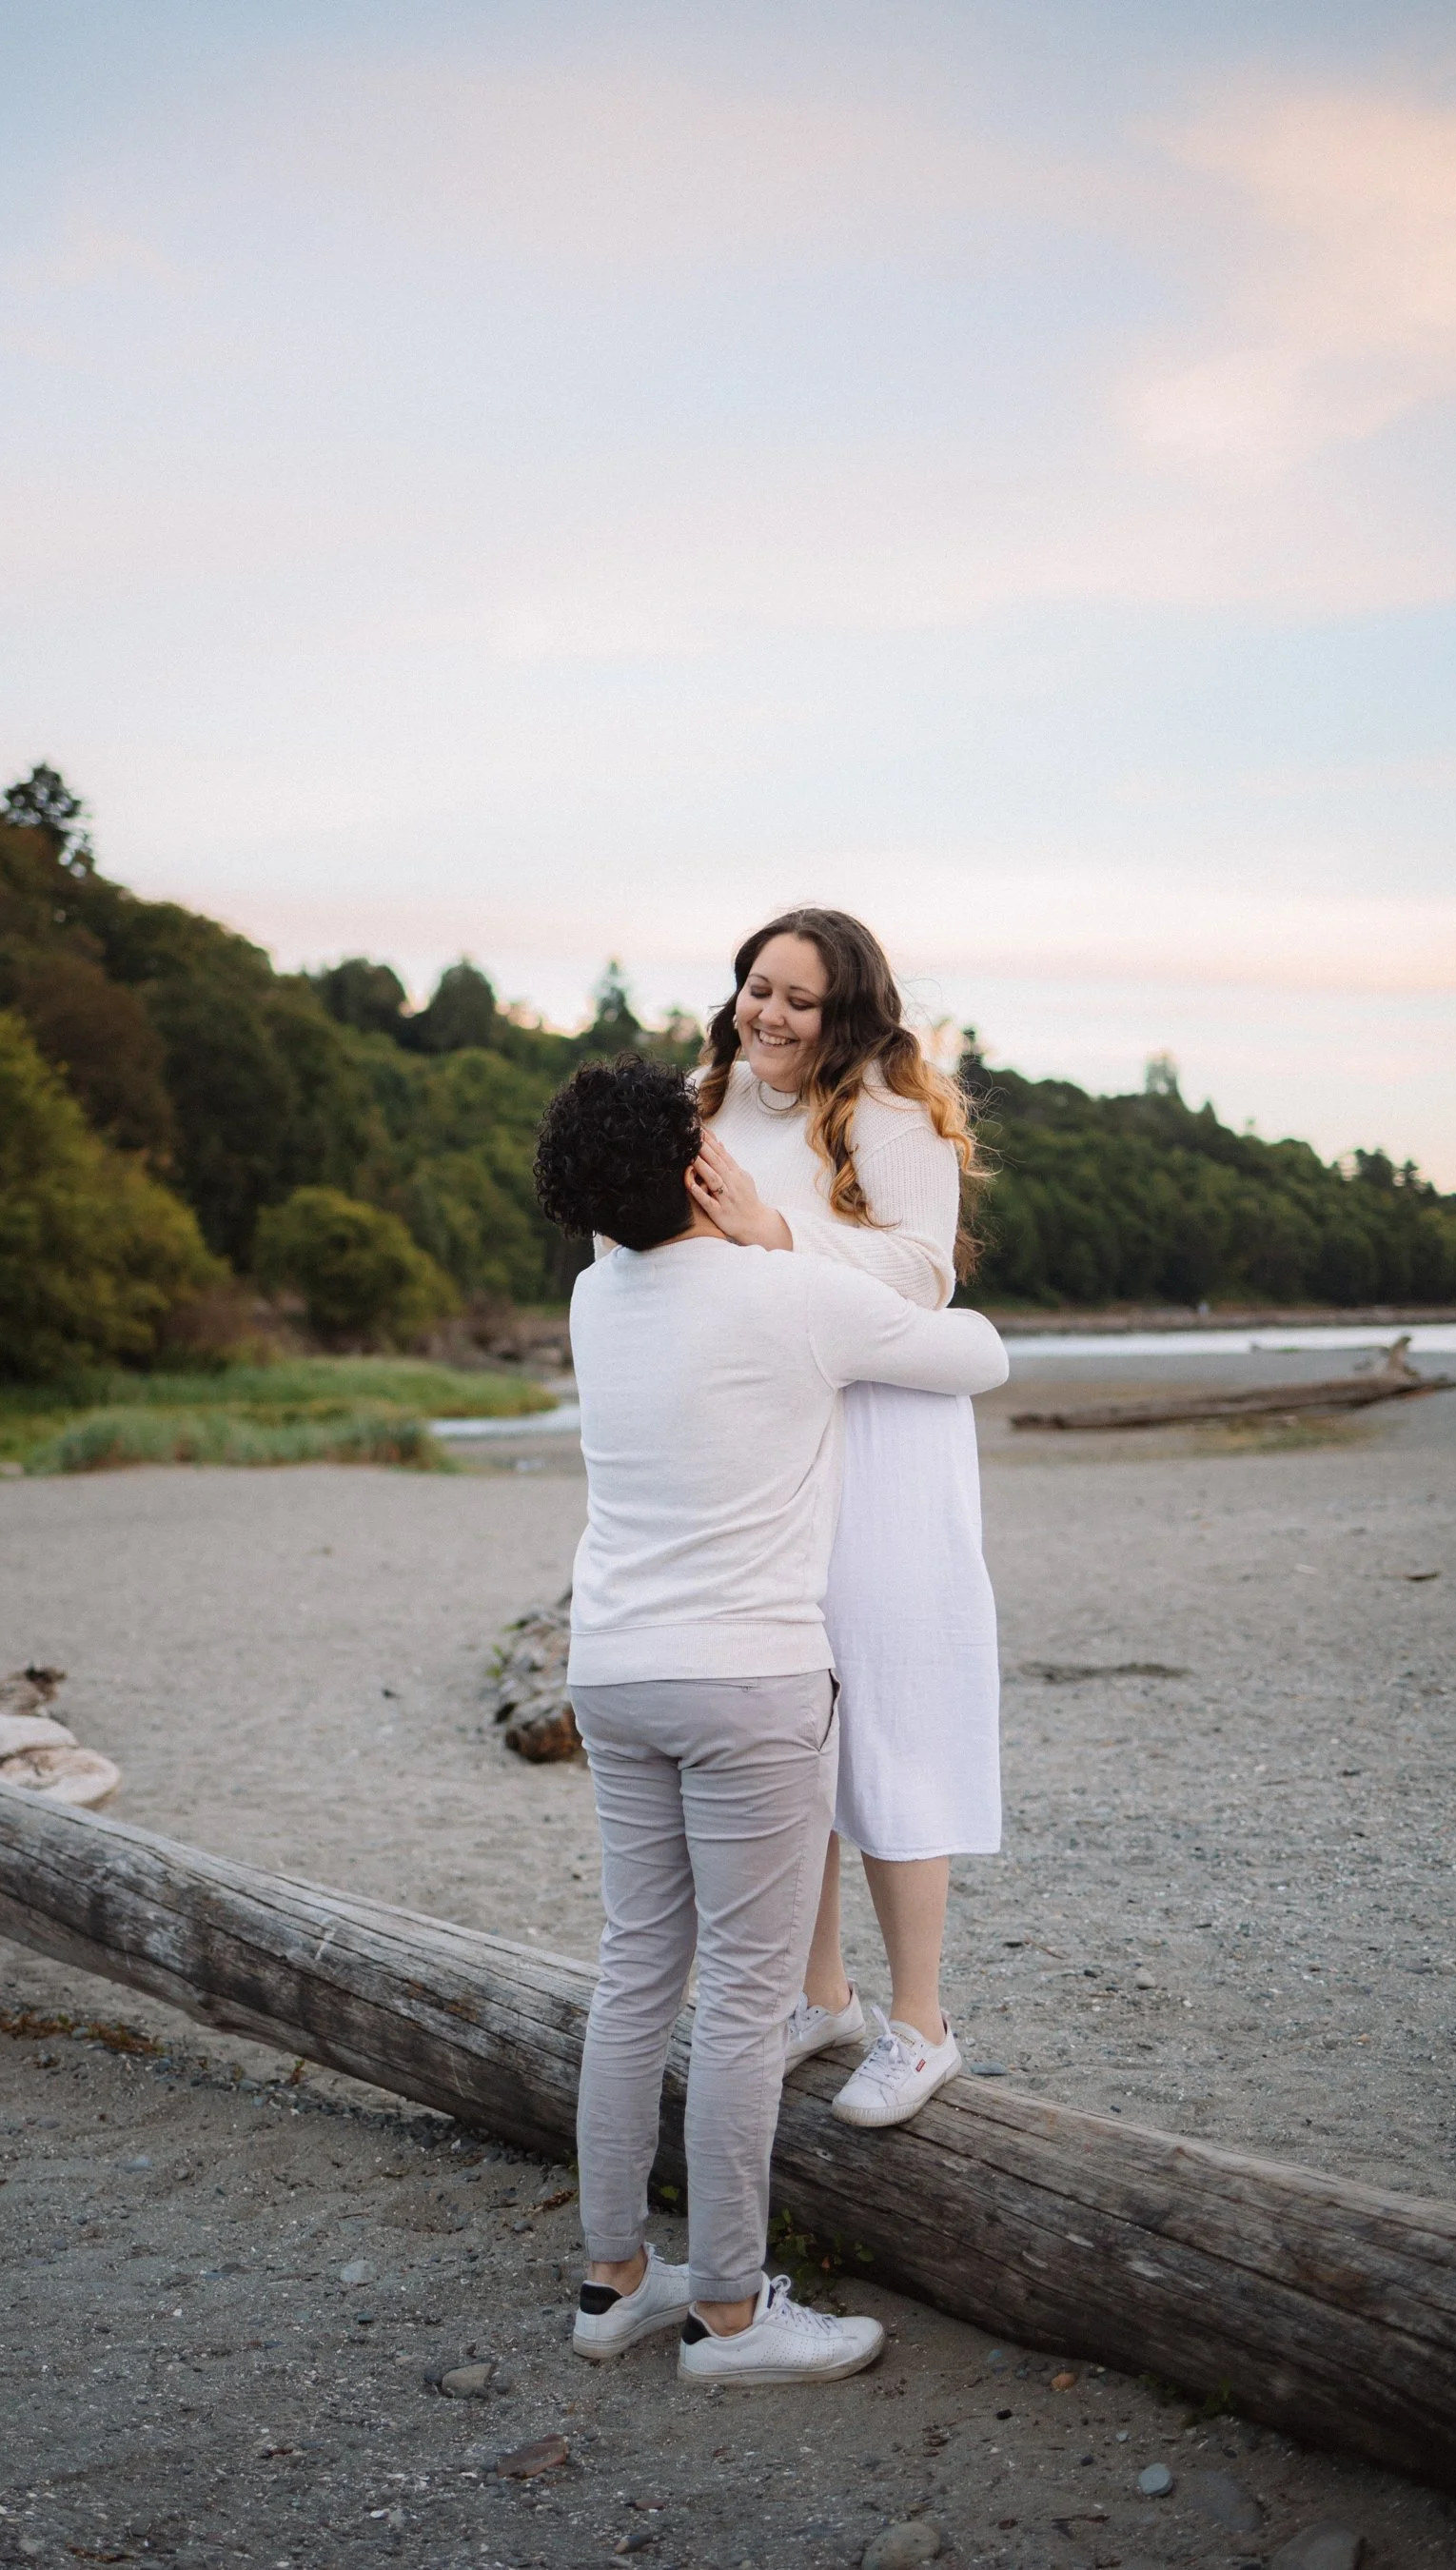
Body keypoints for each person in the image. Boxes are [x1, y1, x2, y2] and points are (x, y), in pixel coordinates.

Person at [532, 1055, 1008, 2386]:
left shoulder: (592, 1300)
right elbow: (979, 1351)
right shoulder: (784, 1294)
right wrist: (788, 1235)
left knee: (638, 1974)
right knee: (743, 2001)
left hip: (613, 1672)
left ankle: (611, 2278)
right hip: (747, 1681)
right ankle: (732, 2316)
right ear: (699, 1165)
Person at [685, 907, 995, 2129]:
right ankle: (824, 1997)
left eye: (798, 1000)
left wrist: (778, 1232)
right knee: (793, 1708)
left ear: (848, 1012)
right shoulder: (705, 1106)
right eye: (756, 988)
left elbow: (927, 1273)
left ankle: (921, 2026)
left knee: (890, 1708)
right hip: (770, 1434)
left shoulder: (891, 1105)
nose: (768, 1013)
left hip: (888, 1430)